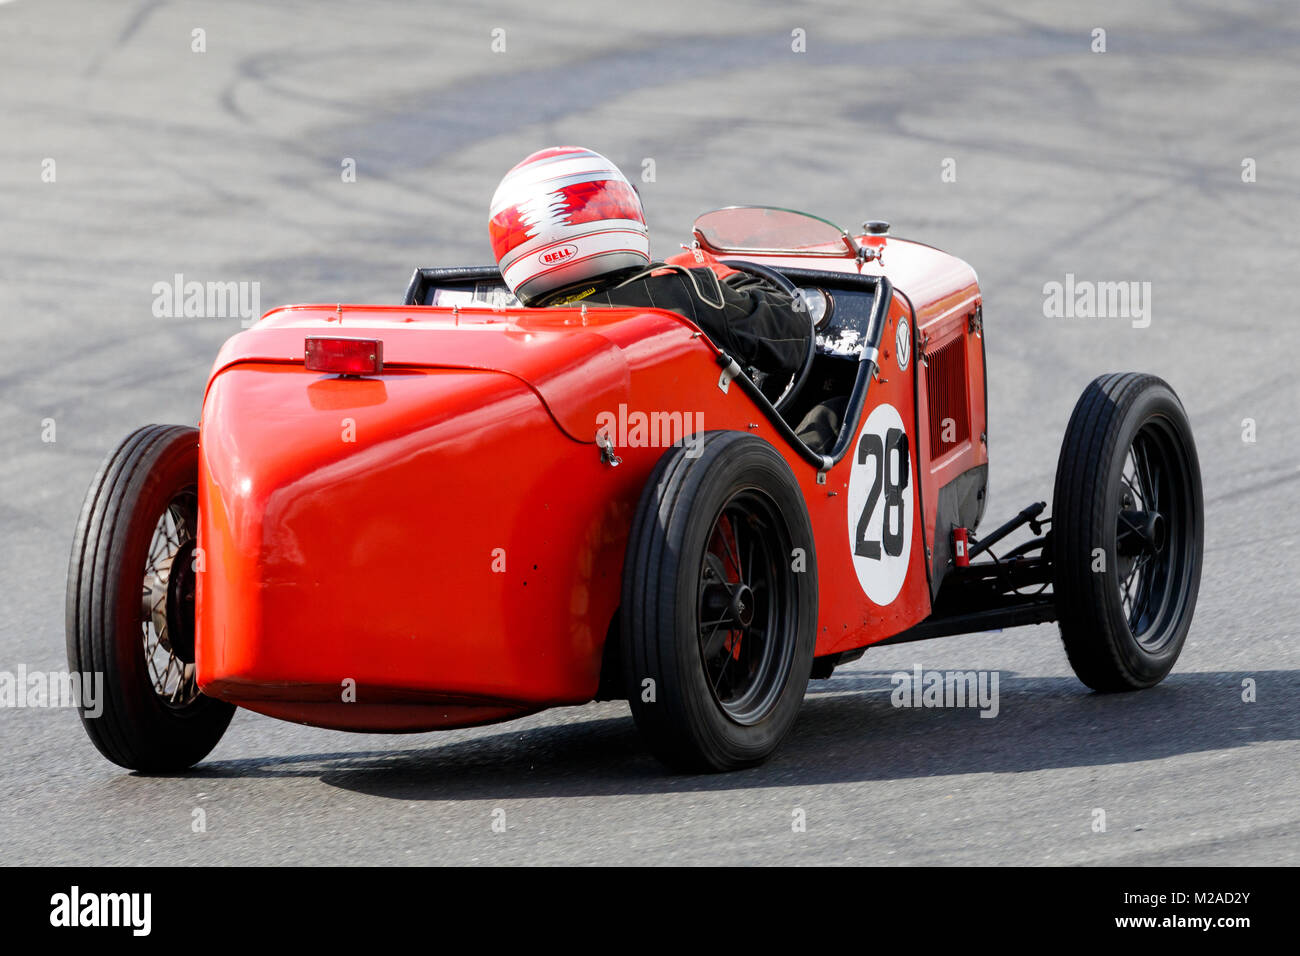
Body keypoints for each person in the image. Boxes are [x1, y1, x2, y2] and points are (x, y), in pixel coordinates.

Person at [488, 146, 811, 395]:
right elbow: (792, 335)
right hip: (698, 459)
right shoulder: (685, 291)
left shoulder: (506, 329)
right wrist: (720, 274)